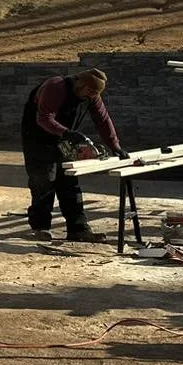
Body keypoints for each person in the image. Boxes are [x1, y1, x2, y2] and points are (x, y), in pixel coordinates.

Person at [20, 67, 127, 242]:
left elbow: (103, 120)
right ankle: (40, 227)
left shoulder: (92, 95)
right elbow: (44, 118)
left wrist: (115, 146)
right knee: (44, 182)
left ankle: (78, 229)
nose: (90, 95)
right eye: (89, 91)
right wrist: (68, 133)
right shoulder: (55, 87)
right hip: (37, 137)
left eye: (94, 93)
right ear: (80, 83)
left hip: (63, 138)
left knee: (69, 182)